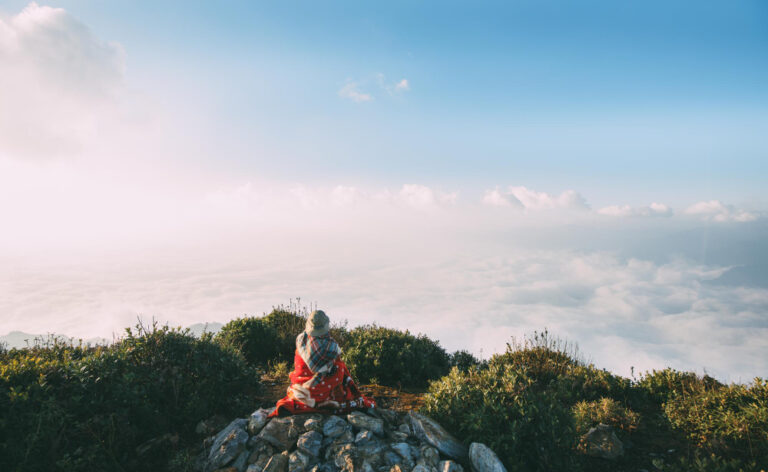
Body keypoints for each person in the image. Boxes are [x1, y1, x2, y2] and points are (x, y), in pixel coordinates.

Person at [270, 310, 375, 416]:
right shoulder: (332, 346)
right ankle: (330, 399)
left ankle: (312, 398)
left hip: (302, 388)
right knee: (340, 366)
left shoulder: (301, 339)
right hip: (321, 391)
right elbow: (332, 369)